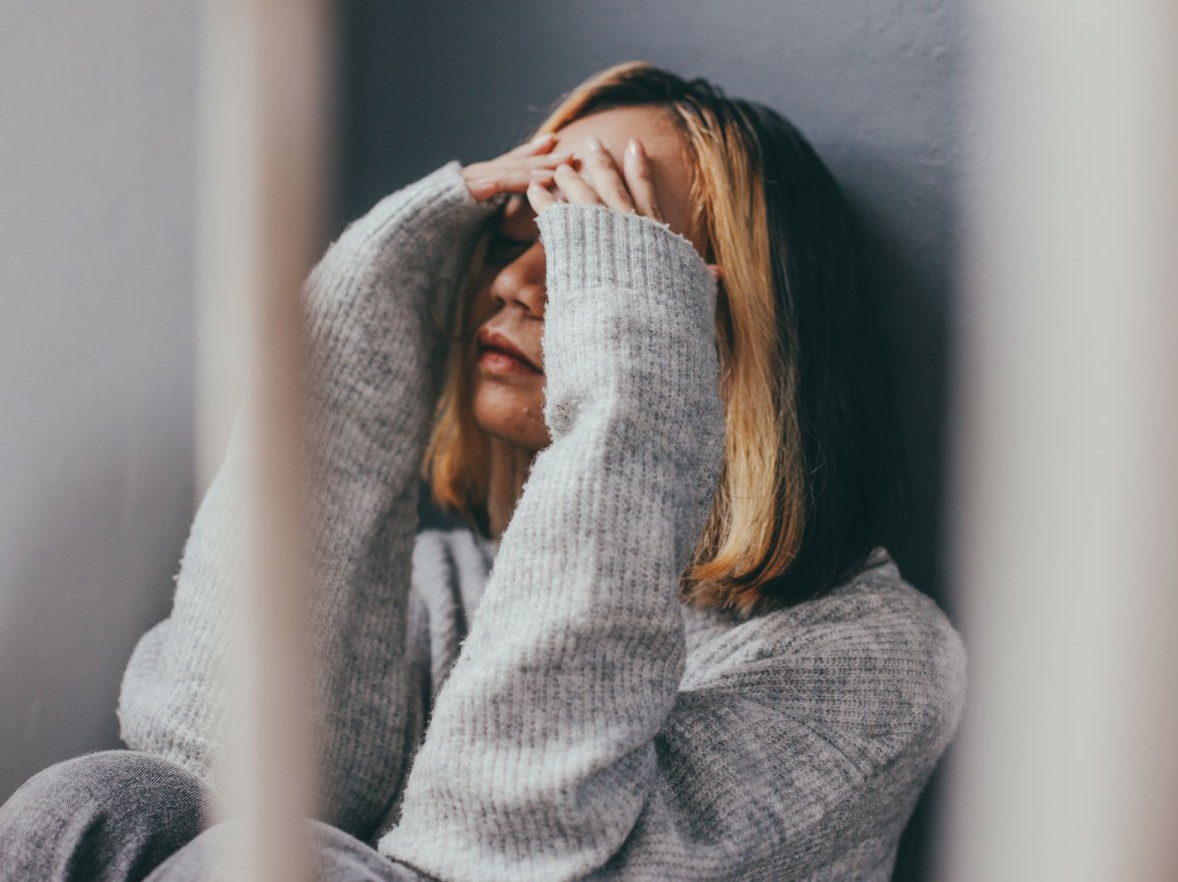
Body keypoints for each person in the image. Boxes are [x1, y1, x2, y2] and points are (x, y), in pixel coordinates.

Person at [0, 60, 967, 881]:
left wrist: (626, 390)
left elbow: (496, 858)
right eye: (514, 237)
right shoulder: (449, 580)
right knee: (105, 803)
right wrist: (349, 330)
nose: (515, 280)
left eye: (602, 253)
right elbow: (214, 758)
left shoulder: (877, 661)